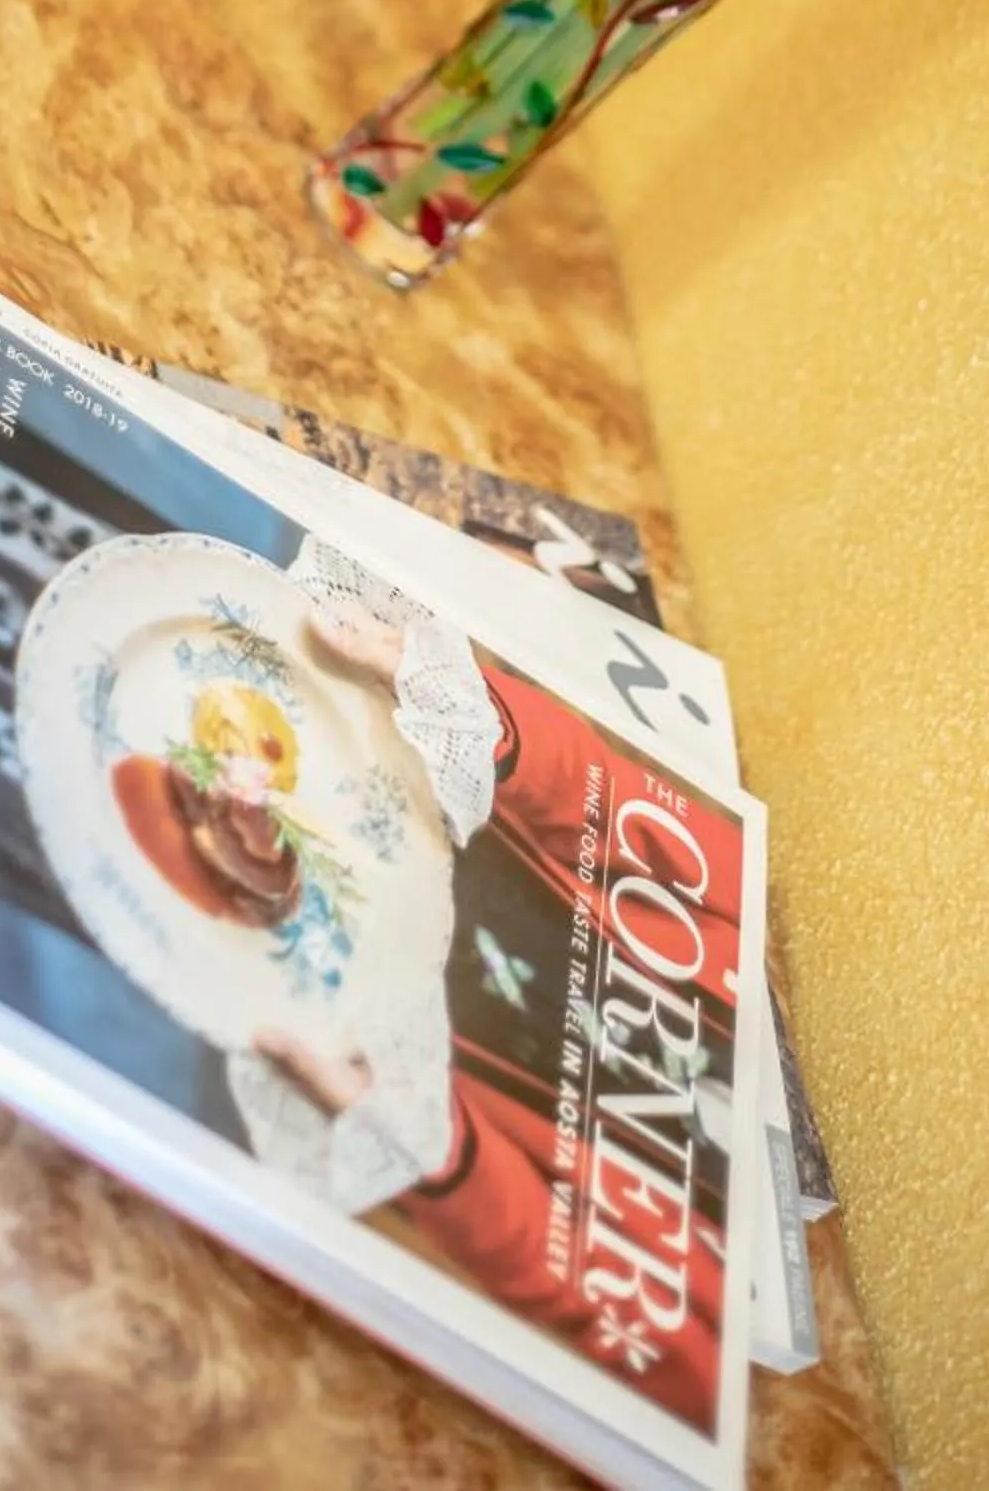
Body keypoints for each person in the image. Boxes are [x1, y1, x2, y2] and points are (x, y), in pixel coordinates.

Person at [250, 601, 744, 1436]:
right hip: (427, 823)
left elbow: (578, 1286)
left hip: (412, 1033)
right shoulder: (785, 967)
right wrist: (492, 732)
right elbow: (643, 829)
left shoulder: (725, 1335)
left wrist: (437, 1153)